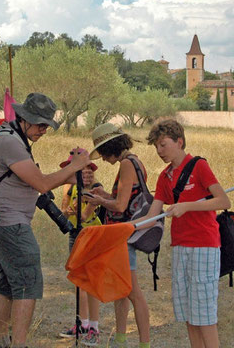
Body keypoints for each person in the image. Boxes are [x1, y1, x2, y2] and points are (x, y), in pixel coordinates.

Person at [0, 93, 90, 348]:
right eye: (40, 124)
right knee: (27, 285)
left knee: (5, 283)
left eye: (47, 125)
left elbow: (30, 178)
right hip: (12, 225)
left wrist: (69, 176)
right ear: (23, 119)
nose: (44, 130)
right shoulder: (10, 143)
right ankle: (18, 343)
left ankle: (2, 340)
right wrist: (74, 166)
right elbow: (42, 184)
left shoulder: (8, 137)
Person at [132, 119, 230, 348]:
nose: (159, 151)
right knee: (188, 311)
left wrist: (187, 206)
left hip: (204, 245)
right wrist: (126, 228)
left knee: (204, 312)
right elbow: (152, 216)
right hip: (180, 246)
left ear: (179, 142)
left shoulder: (199, 167)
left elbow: (223, 200)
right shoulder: (164, 176)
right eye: (156, 147)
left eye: (163, 145)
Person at [83, 123, 151, 348]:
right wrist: (105, 194)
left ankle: (144, 343)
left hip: (124, 234)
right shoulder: (135, 160)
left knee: (132, 291)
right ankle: (120, 338)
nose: (102, 158)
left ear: (111, 146)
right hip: (125, 234)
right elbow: (126, 197)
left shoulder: (126, 164)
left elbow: (120, 206)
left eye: (102, 152)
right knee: (122, 289)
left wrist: (99, 201)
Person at [58, 149, 103, 346]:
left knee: (91, 282)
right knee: (78, 281)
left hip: (92, 235)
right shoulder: (70, 188)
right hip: (75, 235)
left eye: (89, 170)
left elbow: (84, 216)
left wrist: (78, 205)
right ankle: (81, 323)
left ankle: (94, 327)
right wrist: (68, 210)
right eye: (81, 170)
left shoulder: (95, 188)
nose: (86, 174)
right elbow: (64, 215)